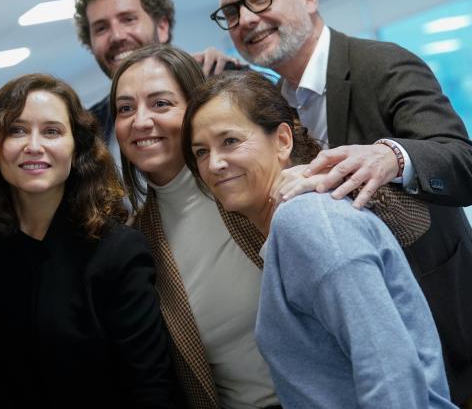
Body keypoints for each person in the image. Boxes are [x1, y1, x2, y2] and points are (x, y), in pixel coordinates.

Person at [214, 0, 472, 403]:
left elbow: (461, 160)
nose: (246, 20)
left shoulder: (381, 63)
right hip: (349, 351)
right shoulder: (273, 104)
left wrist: (391, 156)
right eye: (231, 12)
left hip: (448, 332)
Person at [181, 70, 454, 408]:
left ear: (282, 140)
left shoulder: (307, 220)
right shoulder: (289, 225)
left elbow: (390, 373)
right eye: (201, 152)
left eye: (230, 141)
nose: (215, 163)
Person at [0, 73, 179, 408]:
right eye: (16, 130)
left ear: (77, 147)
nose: (34, 145)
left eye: (52, 131)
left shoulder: (116, 251)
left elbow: (151, 386)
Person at [111, 44, 278, 409]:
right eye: (125, 109)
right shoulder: (135, 241)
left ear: (194, 109)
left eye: (160, 103)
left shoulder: (257, 182)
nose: (140, 121)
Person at [73, 0, 242, 149]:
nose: (116, 36)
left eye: (128, 19)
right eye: (101, 28)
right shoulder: (90, 131)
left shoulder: (222, 86)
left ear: (162, 27)